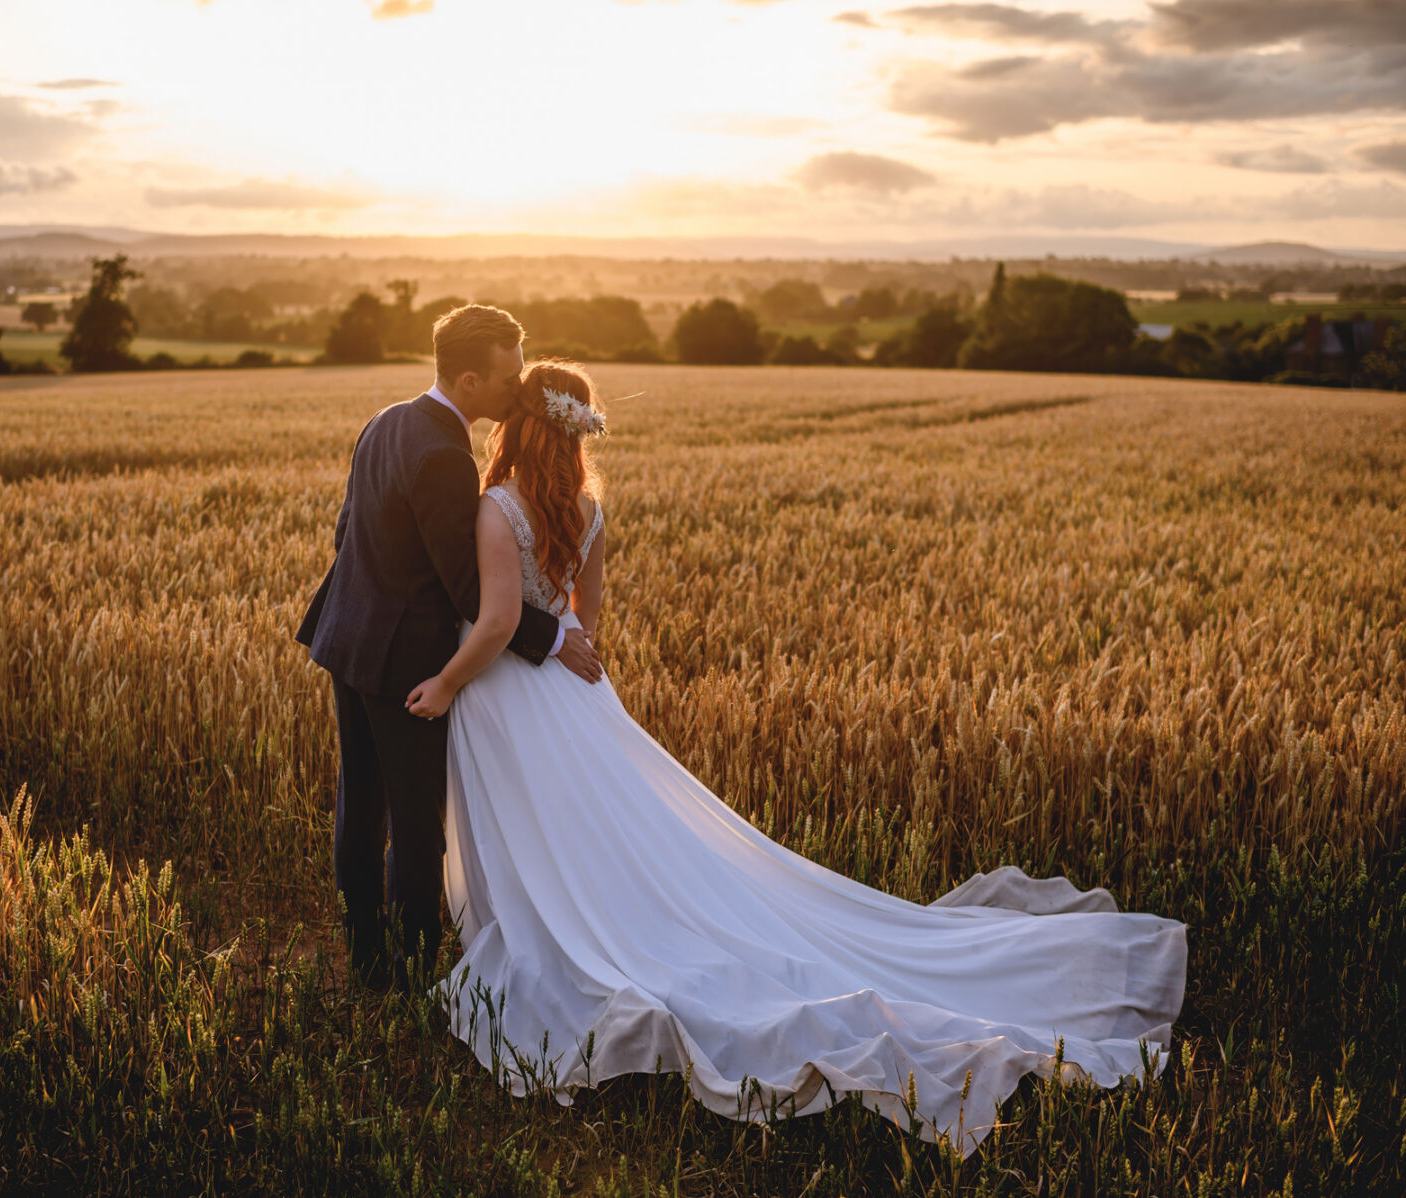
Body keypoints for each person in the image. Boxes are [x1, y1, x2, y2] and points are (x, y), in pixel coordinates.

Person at [402, 358, 1189, 1158]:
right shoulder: (589, 510)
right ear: (576, 431)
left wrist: (441, 683)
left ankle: (570, 935)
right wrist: (564, 643)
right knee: (608, 830)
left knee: (535, 833)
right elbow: (584, 627)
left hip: (506, 698)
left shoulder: (497, 508)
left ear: (517, 426)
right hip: (579, 697)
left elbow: (498, 622)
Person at [296, 305, 603, 991]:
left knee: (360, 806)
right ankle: (406, 971)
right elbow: (470, 594)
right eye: (507, 378)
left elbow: (347, 531)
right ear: (468, 379)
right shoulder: (443, 457)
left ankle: (367, 957)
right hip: (405, 660)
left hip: (347, 638)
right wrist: (556, 635)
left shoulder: (386, 419)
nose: (518, 391)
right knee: (414, 819)